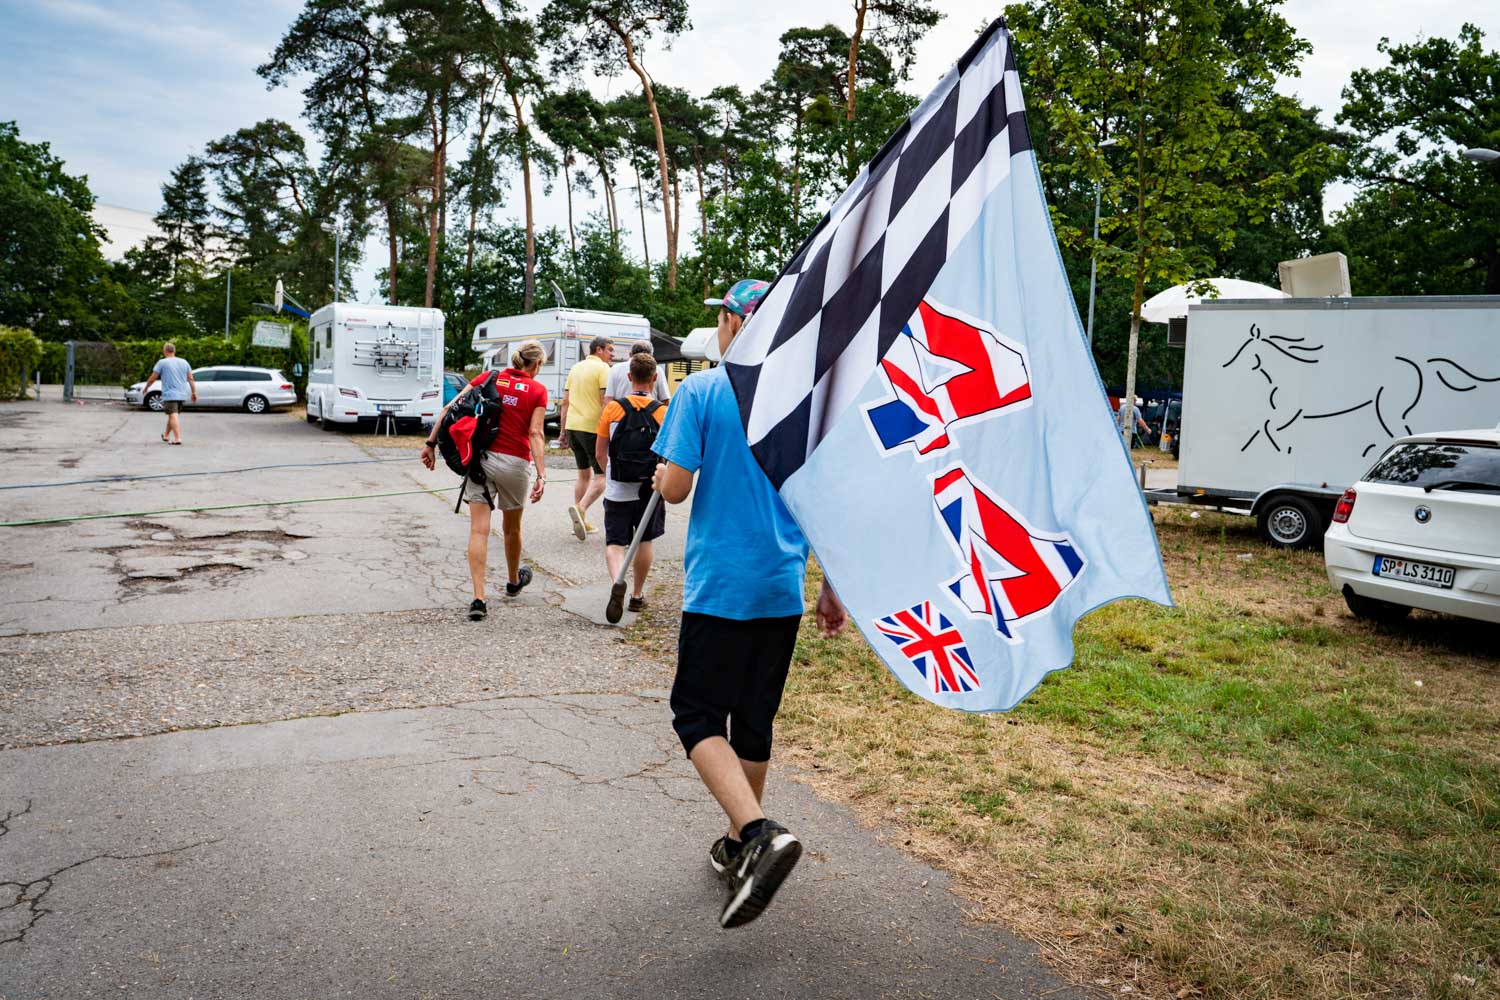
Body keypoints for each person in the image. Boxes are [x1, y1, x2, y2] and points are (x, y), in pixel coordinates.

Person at [651, 279, 848, 929]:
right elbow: (822, 500)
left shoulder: (703, 391)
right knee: (753, 719)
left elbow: (674, 491)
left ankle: (759, 831)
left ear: (736, 324)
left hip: (721, 588)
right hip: (780, 588)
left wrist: (662, 471)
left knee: (695, 713)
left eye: (725, 318)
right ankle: (741, 848)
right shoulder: (807, 404)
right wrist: (832, 587)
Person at [420, 340, 548, 622]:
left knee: (479, 530)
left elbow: (449, 409)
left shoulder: (489, 377)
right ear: (536, 364)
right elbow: (536, 433)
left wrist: (430, 444)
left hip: (479, 460)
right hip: (515, 464)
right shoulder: (538, 390)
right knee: (511, 529)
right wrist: (541, 474)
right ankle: (514, 581)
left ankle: (479, 598)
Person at [594, 352, 669, 621]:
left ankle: (618, 582)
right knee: (644, 540)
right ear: (654, 378)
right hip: (650, 487)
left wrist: (609, 473)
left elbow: (600, 452)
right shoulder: (663, 411)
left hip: (618, 485)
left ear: (629, 377)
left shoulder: (612, 409)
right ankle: (637, 595)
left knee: (615, 542)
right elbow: (669, 454)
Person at [558, 336, 614, 541]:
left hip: (573, 426)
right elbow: (605, 402)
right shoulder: (603, 370)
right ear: (598, 350)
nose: (612, 354)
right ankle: (580, 509)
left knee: (583, 474)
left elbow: (565, 402)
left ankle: (579, 522)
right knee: (602, 476)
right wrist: (607, 430)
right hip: (592, 428)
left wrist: (563, 431)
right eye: (609, 350)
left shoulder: (575, 368)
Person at [142, 343, 196, 445]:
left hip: (170, 394)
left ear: (165, 351)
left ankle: (177, 438)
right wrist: (194, 392)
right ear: (174, 351)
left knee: (173, 415)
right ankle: (166, 435)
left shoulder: (162, 362)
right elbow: (191, 378)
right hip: (182, 394)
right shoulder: (184, 362)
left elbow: (153, 377)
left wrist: (147, 387)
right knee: (173, 415)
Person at [606, 339, 670, 404]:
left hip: (620, 412)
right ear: (651, 356)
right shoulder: (657, 370)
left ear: (630, 354)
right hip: (650, 411)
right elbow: (665, 399)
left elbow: (608, 399)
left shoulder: (615, 369)